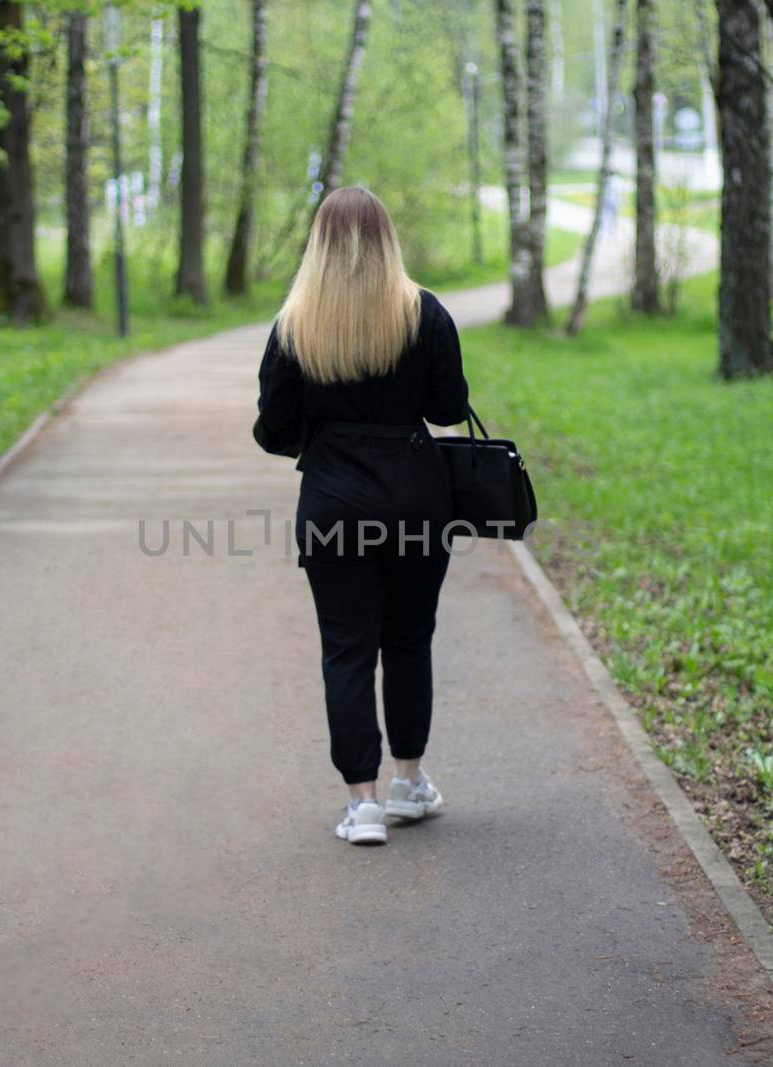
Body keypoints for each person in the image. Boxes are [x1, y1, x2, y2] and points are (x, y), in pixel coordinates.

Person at [253, 187, 469, 846]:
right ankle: (409, 782)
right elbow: (448, 409)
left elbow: (272, 429)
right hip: (416, 501)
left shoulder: (296, 323)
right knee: (408, 641)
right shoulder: (424, 313)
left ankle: (363, 804)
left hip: (333, 506)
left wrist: (323, 442)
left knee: (346, 652)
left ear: (318, 243)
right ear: (387, 241)